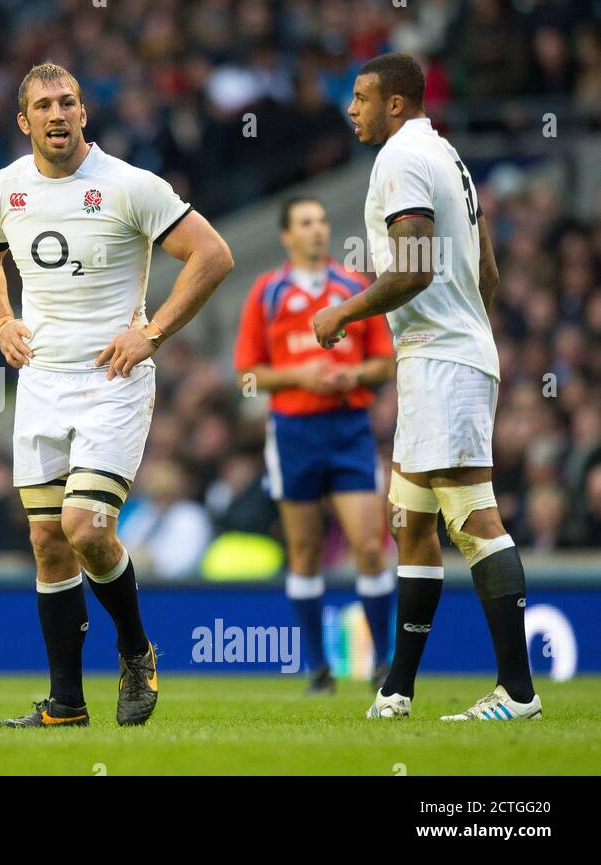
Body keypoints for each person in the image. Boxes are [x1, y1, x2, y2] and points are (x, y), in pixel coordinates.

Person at [0, 63, 233, 727]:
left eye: (69, 102)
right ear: (23, 122)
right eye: (44, 106)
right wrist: (1, 321)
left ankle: (137, 647)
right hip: (42, 383)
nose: (58, 114)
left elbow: (213, 254)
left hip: (112, 380)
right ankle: (66, 704)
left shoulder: (128, 186)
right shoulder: (5, 191)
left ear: (84, 112)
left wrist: (153, 331)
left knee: (86, 527)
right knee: (48, 538)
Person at [314, 54, 541, 721]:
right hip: (438, 356)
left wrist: (343, 312)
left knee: (472, 518)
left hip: (443, 359)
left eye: (360, 97)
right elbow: (487, 269)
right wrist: (463, 327)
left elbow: (411, 270)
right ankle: (397, 689)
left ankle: (519, 693)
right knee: (410, 522)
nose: (350, 109)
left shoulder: (403, 159)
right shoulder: (448, 156)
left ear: (395, 103)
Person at [234, 196, 395, 694]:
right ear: (286, 235)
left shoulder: (354, 289)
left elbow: (385, 364)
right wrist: (297, 375)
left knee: (369, 548)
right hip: (294, 433)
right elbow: (246, 378)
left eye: (323, 220)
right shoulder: (268, 293)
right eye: (305, 222)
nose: (318, 229)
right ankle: (318, 667)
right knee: (303, 552)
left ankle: (383, 664)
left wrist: (352, 375)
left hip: (348, 429)